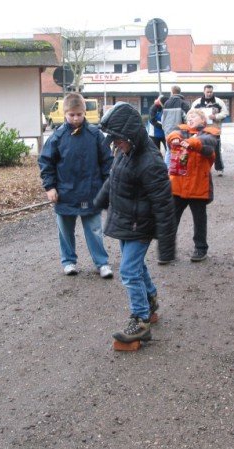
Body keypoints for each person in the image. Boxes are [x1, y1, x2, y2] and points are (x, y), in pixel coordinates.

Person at [95, 102, 177, 343]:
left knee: (129, 271)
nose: (115, 144)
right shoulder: (125, 151)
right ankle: (150, 299)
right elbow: (113, 179)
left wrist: (166, 248)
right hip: (126, 221)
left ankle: (141, 319)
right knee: (135, 266)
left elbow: (164, 205)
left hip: (140, 225)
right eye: (113, 139)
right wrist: (99, 201)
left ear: (130, 134)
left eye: (118, 139)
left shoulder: (150, 162)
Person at [38, 92, 114, 278]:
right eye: (71, 114)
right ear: (64, 113)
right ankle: (68, 261)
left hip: (91, 192)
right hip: (64, 193)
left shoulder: (95, 135)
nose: (75, 118)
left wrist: (108, 186)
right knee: (65, 231)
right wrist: (50, 187)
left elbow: (107, 162)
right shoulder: (57, 137)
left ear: (84, 112)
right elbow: (46, 162)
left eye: (79, 114)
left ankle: (101, 263)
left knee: (94, 230)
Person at [166, 109, 219, 262]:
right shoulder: (180, 131)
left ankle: (201, 249)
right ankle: (167, 250)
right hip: (178, 186)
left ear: (203, 120)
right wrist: (175, 139)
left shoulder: (210, 134)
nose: (190, 118)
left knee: (199, 221)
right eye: (188, 116)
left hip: (198, 186)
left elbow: (208, 145)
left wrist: (189, 143)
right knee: (171, 219)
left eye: (194, 116)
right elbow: (172, 135)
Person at [191, 84, 229, 175]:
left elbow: (225, 113)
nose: (209, 93)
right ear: (204, 91)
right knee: (201, 149)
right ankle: (203, 168)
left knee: (216, 150)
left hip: (214, 130)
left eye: (211, 92)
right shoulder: (197, 103)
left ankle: (219, 168)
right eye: (207, 92)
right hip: (201, 130)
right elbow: (191, 113)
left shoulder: (219, 102)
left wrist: (215, 116)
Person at [161, 85, 191, 166]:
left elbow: (163, 118)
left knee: (169, 151)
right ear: (179, 92)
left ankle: (168, 169)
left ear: (172, 92)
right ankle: (182, 168)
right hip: (181, 132)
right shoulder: (184, 103)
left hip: (168, 132)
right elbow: (187, 119)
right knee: (182, 151)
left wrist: (164, 128)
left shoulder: (166, 103)